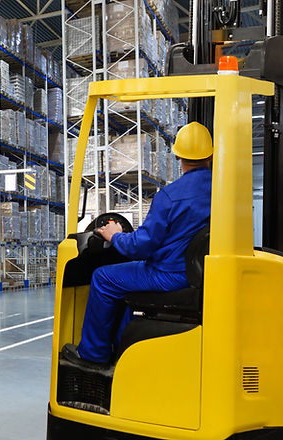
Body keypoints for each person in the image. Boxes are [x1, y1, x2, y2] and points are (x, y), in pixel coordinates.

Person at [62, 122, 214, 369]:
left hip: (170, 275)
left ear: (177, 156)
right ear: (210, 154)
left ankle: (93, 355)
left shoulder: (170, 196)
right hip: (203, 274)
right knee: (127, 281)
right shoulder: (224, 192)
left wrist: (115, 236)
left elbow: (141, 247)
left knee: (103, 277)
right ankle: (123, 347)